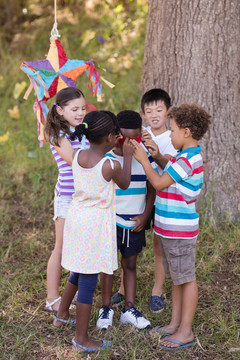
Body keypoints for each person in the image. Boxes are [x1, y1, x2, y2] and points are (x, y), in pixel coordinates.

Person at [52, 110, 134, 353]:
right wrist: (127, 157)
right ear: (110, 137)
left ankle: (62, 314)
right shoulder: (110, 165)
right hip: (95, 225)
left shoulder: (77, 155)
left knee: (79, 269)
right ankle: (82, 339)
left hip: (77, 221)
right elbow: (125, 183)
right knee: (88, 281)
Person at [131, 103, 211, 350]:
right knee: (177, 278)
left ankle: (185, 331)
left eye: (173, 131)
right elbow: (169, 169)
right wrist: (155, 155)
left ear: (186, 132)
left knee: (186, 279)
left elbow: (158, 181)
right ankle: (175, 322)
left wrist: (144, 159)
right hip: (169, 230)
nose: (170, 135)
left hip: (179, 232)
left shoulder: (188, 159)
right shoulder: (182, 156)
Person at [111, 89, 177, 314]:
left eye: (159, 110)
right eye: (149, 111)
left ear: (168, 111)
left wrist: (154, 151)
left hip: (163, 197)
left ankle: (157, 291)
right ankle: (121, 289)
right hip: (137, 198)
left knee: (159, 247)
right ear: (143, 114)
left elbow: (169, 163)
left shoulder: (172, 137)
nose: (155, 114)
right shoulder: (140, 132)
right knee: (126, 247)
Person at [98, 110, 156, 330]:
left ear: (141, 135)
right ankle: (106, 308)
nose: (129, 144)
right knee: (108, 266)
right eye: (124, 139)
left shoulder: (145, 157)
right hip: (111, 221)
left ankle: (128, 309)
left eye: (135, 139)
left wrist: (145, 214)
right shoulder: (107, 160)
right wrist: (128, 157)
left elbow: (152, 189)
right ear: (115, 135)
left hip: (135, 222)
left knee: (130, 264)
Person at [44, 87, 88, 312]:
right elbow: (75, 160)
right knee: (60, 247)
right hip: (67, 198)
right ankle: (52, 297)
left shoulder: (83, 131)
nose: (80, 112)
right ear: (60, 110)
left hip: (85, 197)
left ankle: (76, 292)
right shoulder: (59, 135)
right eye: (74, 109)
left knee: (80, 247)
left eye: (82, 108)